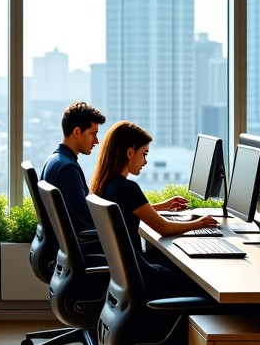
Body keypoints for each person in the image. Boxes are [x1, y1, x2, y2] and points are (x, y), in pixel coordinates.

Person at [90, 121, 216, 297]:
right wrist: (199, 223)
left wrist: (161, 206)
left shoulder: (106, 186)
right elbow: (164, 228)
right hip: (144, 275)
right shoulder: (128, 188)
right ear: (130, 153)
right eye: (144, 154)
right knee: (201, 278)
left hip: (132, 273)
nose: (145, 161)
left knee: (168, 258)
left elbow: (126, 209)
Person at [41, 101, 107, 239]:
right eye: (93, 134)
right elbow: (85, 220)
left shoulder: (54, 159)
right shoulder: (68, 169)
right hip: (83, 248)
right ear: (77, 132)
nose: (96, 141)